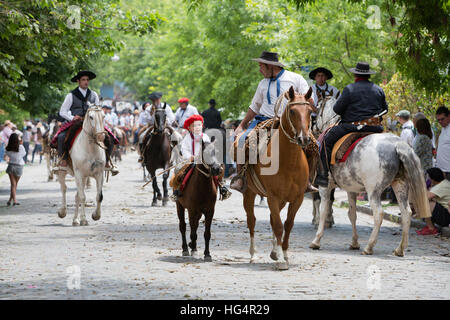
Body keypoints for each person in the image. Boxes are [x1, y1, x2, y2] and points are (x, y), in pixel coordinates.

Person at [231, 51, 316, 192]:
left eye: (261, 66)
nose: (259, 69)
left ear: (271, 66)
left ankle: (307, 180)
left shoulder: (295, 78)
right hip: (264, 121)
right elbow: (255, 107)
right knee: (242, 140)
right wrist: (241, 124)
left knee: (314, 146)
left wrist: (306, 102)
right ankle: (241, 178)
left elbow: (309, 100)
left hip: (291, 124)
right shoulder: (262, 84)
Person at [315, 62, 388, 187]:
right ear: (368, 75)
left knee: (326, 140)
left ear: (355, 74)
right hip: (375, 127)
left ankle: (323, 176)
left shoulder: (350, 89)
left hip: (352, 127)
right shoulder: (378, 89)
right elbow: (385, 109)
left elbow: (337, 109)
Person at [52, 70, 119, 175]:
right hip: (76, 122)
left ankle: (107, 161)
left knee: (110, 137)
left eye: (87, 80)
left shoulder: (94, 95)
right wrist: (72, 117)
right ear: (78, 81)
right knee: (61, 137)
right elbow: (62, 111)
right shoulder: (71, 95)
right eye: (83, 80)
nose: (86, 82)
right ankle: (63, 160)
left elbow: (98, 110)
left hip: (92, 122)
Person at [171, 114, 231, 201]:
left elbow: (209, 148)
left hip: (205, 161)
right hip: (191, 161)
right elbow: (184, 150)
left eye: (199, 125)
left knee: (218, 167)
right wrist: (190, 157)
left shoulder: (205, 136)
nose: (197, 127)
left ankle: (222, 186)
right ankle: (178, 189)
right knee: (179, 171)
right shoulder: (187, 138)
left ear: (202, 126)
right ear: (189, 128)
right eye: (194, 125)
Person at [416, 168, 450, 235]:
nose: (428, 179)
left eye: (429, 178)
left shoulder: (440, 187)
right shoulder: (445, 182)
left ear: (433, 179)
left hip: (447, 217)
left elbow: (423, 198)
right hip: (446, 212)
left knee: (426, 204)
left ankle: (431, 228)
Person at [4, 133, 26, 206]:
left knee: (13, 185)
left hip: (11, 166)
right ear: (17, 139)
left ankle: (10, 200)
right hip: (19, 167)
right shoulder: (21, 147)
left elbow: (7, 155)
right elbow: (23, 154)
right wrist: (21, 144)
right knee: (15, 184)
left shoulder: (8, 148)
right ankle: (15, 201)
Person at [435, 106, 450, 180]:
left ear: (448, 116)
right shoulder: (444, 128)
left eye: (442, 119)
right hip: (441, 170)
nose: (440, 122)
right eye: (438, 120)